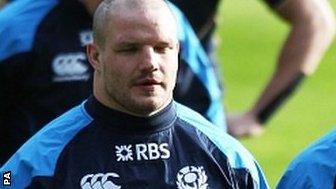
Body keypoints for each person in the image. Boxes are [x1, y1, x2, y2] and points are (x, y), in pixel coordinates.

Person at [0, 0, 268, 188]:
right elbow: (8, 180)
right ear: (94, 56)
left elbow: (204, 96)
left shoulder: (230, 160)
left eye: (162, 48)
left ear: (178, 50)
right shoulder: (33, 165)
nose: (150, 63)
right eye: (130, 49)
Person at [171, 0, 336, 137]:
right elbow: (316, 21)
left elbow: (316, 22)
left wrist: (256, 116)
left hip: (190, 118)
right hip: (190, 112)